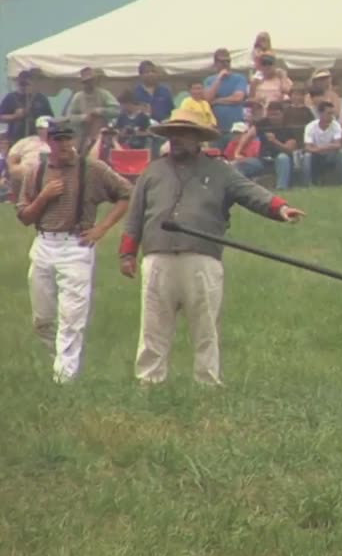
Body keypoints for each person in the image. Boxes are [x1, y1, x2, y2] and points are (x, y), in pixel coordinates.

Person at [119, 106, 305, 385]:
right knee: (153, 328)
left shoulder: (220, 171)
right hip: (157, 258)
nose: (177, 139)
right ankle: (149, 381)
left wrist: (280, 208)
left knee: (205, 327)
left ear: (198, 138)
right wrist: (127, 253)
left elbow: (250, 192)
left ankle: (207, 383)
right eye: (173, 134)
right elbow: (135, 214)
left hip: (201, 259)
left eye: (184, 133)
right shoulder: (152, 171)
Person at [16, 120, 132, 383]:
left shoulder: (92, 169)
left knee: (71, 317)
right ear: (50, 141)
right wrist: (44, 196)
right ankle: (59, 359)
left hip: (76, 245)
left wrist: (102, 228)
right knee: (42, 319)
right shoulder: (36, 171)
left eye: (69, 138)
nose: (65, 144)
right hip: (44, 242)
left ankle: (64, 379)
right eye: (59, 139)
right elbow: (24, 217)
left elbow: (126, 193)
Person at [302, 102, 342, 185]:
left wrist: (320, 148)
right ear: (320, 113)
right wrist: (328, 146)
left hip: (330, 155)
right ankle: (307, 184)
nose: (331, 116)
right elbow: (308, 147)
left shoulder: (336, 125)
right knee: (307, 156)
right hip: (315, 155)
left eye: (332, 113)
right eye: (329, 113)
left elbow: (338, 145)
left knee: (341, 153)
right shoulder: (310, 126)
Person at [1, 69, 54, 146]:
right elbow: (1, 117)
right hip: (15, 141)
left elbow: (50, 118)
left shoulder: (41, 98)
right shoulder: (10, 98)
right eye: (21, 84)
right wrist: (14, 116)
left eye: (26, 84)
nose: (24, 87)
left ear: (32, 83)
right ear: (17, 83)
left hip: (37, 140)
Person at [204, 48, 249, 137]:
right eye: (222, 61)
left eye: (228, 61)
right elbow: (207, 100)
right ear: (216, 63)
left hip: (235, 129)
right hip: (216, 128)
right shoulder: (209, 80)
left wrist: (216, 101)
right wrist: (219, 78)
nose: (226, 64)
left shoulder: (239, 78)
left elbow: (237, 98)